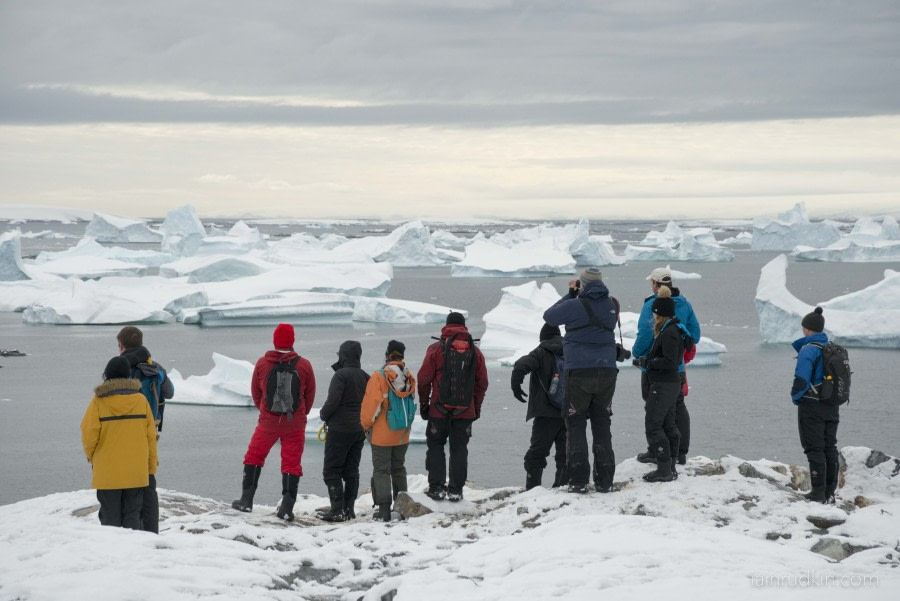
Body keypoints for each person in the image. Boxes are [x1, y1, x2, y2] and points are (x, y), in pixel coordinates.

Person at [543, 267, 619, 494]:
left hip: (579, 372)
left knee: (575, 424)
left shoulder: (575, 305)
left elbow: (549, 317)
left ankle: (578, 481)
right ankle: (605, 481)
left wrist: (571, 294)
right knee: (602, 423)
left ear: (583, 284)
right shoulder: (612, 304)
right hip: (606, 371)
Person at [232, 323, 316, 521]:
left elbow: (256, 392)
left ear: (275, 340)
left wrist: (266, 411)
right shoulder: (304, 365)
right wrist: (300, 415)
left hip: (268, 421)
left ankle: (246, 501)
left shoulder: (262, 363)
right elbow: (309, 395)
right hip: (294, 422)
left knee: (254, 456)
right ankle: (286, 509)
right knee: (291, 463)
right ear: (292, 341)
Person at [631, 267, 700, 466]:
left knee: (654, 409)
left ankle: (657, 451)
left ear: (655, 284)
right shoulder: (684, 304)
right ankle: (680, 453)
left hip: (654, 369)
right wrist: (678, 346)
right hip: (677, 369)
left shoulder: (653, 305)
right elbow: (694, 334)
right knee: (677, 407)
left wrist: (638, 354)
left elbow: (644, 334)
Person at [81, 356, 158, 530]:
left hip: (107, 471)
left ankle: (112, 553)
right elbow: (150, 437)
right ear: (128, 375)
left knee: (110, 517)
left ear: (106, 375)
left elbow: (88, 435)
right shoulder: (141, 401)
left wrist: (92, 457)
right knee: (133, 515)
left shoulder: (98, 402)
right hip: (136, 470)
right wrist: (151, 466)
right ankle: (132, 552)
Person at [418, 312, 489, 502]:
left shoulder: (435, 349)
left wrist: (424, 405)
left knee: (435, 446)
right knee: (459, 449)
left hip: (438, 411)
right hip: (465, 412)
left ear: (446, 326)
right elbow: (482, 383)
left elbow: (423, 379)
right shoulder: (475, 352)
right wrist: (476, 407)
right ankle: (456, 490)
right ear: (464, 327)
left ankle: (437, 488)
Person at [117, 326, 174, 534]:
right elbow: (170, 393)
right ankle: (150, 530)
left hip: (124, 431)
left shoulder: (120, 367)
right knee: (148, 480)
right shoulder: (156, 367)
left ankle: (129, 528)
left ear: (120, 345)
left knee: (126, 479)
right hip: (151, 431)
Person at [638, 287, 692, 482]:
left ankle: (664, 468)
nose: (653, 316)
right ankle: (670, 465)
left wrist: (648, 363)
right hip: (672, 384)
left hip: (663, 385)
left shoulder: (668, 332)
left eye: (654, 313)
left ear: (659, 314)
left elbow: (669, 362)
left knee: (653, 425)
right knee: (669, 424)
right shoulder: (675, 329)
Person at [361, 340, 417, 521]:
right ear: (402, 355)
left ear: (387, 355)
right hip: (402, 433)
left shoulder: (379, 376)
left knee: (382, 470)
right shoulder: (409, 376)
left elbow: (371, 406)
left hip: (382, 434)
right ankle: (402, 507)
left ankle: (384, 510)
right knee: (398, 468)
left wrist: (366, 425)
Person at [511, 323, 569, 490]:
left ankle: (533, 489)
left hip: (545, 413)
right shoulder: (572, 350)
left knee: (537, 452)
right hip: (569, 411)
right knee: (565, 454)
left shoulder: (541, 351)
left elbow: (521, 365)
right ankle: (562, 487)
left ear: (542, 337)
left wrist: (516, 385)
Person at [316, 341, 369, 523]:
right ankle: (349, 509)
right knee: (351, 470)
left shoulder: (340, 375)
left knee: (331, 470)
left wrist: (323, 415)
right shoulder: (366, 376)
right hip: (359, 429)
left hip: (339, 429)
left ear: (344, 355)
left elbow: (332, 402)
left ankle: (337, 510)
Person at [791, 307, 838, 503]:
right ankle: (829, 491)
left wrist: (795, 397)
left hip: (811, 405)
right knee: (829, 446)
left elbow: (801, 378)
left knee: (814, 448)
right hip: (831, 404)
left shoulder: (809, 349)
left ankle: (817, 493)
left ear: (808, 329)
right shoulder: (830, 347)